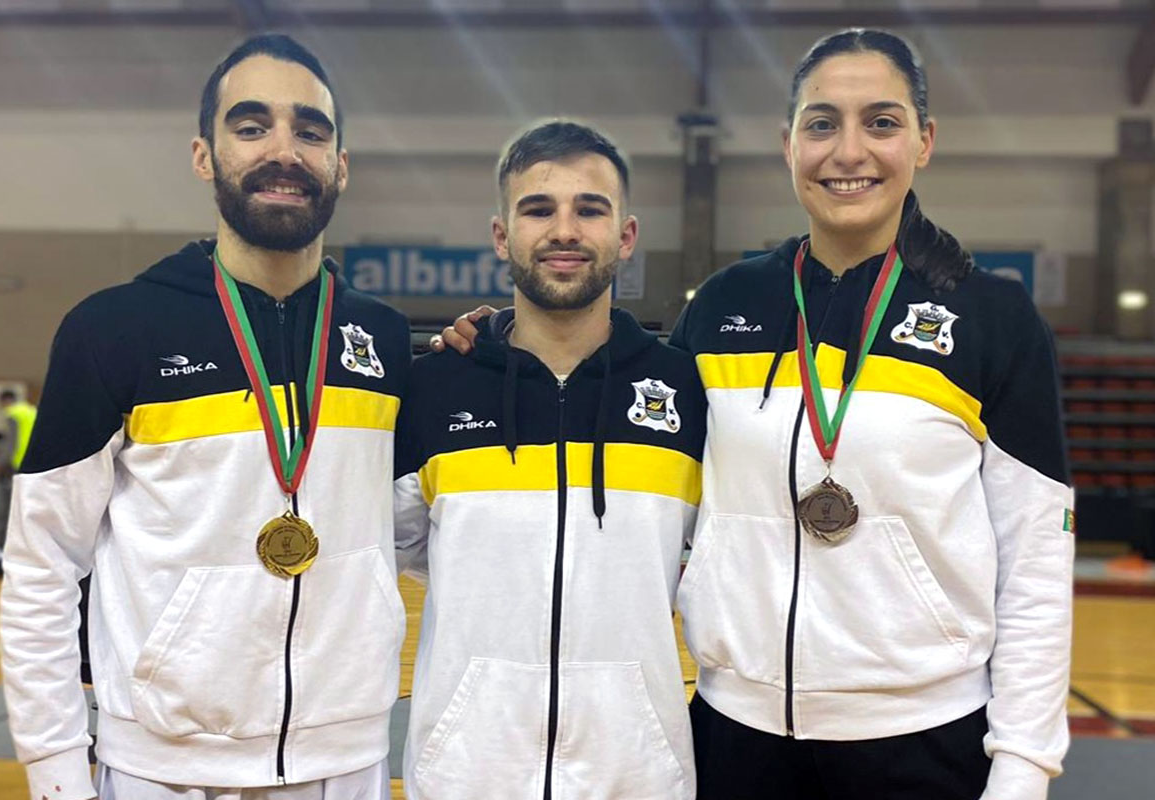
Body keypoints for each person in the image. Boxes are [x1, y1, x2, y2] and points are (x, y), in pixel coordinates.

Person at [439, 29, 1072, 800]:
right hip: (737, 737)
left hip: (923, 741)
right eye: (821, 123)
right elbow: (611, 395)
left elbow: (1036, 562)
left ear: (924, 141)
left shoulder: (992, 318)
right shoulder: (727, 305)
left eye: (880, 121)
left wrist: (1024, 766)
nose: (848, 152)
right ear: (787, 144)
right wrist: (497, 341)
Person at [0, 34, 411, 800]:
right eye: (251, 127)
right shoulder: (114, 329)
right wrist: (56, 773)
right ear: (203, 155)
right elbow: (43, 563)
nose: (284, 150)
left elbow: (415, 521)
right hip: (164, 767)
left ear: (341, 167)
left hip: (345, 759)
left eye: (310, 131)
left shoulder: (382, 339)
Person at [395, 120, 706, 799]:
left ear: (624, 236)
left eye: (588, 209)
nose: (564, 230)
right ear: (503, 236)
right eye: (539, 209)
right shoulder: (433, 389)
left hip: (638, 776)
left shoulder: (686, 392)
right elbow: (399, 546)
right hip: (464, 776)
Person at [0, 389, 37, 479]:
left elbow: (11, 441)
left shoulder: (13, 413)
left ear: (5, 401)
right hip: (34, 457)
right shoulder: (30, 410)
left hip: (20, 459)